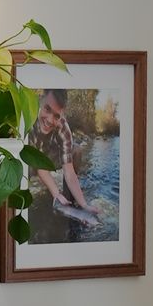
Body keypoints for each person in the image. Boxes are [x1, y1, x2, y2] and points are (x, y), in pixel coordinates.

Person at [26, 89, 100, 231]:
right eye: (47, 109)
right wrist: (55, 192)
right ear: (41, 99)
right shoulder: (29, 119)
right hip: (29, 159)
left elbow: (69, 171)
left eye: (56, 116)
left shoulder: (63, 127)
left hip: (48, 157)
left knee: (76, 150)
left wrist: (84, 205)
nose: (49, 120)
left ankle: (67, 201)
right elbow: (37, 163)